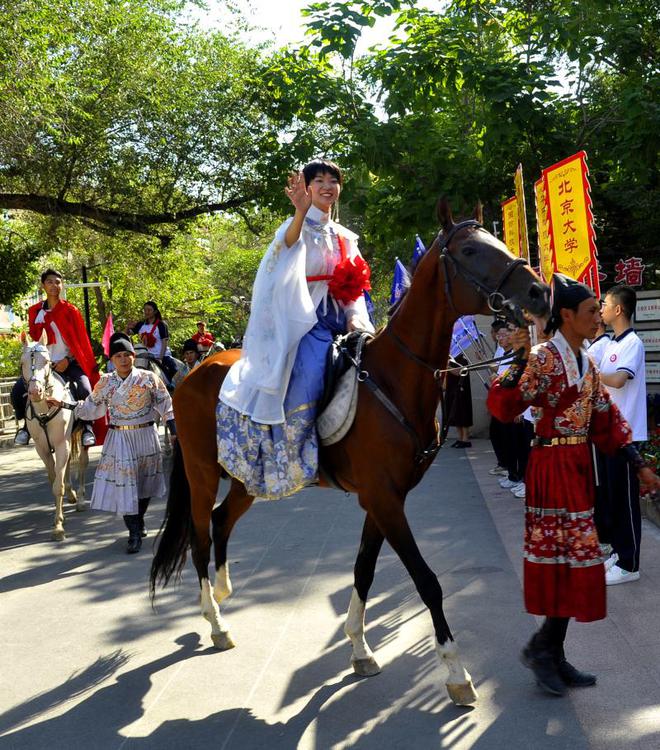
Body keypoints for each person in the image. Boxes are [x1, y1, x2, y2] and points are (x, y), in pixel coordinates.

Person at [487, 273, 659, 697]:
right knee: (566, 560)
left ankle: (552, 652)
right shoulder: (545, 358)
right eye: (588, 311)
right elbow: (506, 407)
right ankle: (542, 648)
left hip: (577, 465)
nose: (596, 317)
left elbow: (607, 418)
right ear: (566, 315)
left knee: (574, 561)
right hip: (550, 466)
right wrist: (519, 366)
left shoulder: (587, 360)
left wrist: (638, 463)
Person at [217, 159, 374, 499]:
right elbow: (286, 248)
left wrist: (356, 320)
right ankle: (297, 452)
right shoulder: (295, 226)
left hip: (343, 320)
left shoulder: (347, 237)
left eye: (333, 180)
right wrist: (300, 214)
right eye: (319, 180)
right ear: (306, 188)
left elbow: (356, 288)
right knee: (313, 369)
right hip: (306, 321)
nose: (327, 186)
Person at [49, 332, 175, 553]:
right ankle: (133, 533)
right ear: (112, 360)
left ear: (134, 356)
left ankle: (140, 520)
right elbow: (90, 407)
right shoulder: (106, 382)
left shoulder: (148, 378)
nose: (124, 359)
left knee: (145, 486)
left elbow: (166, 404)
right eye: (118, 356)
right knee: (127, 487)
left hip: (146, 434)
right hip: (120, 438)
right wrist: (63, 405)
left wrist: (173, 431)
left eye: (127, 354)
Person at [595, 285, 647, 585]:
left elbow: (617, 379)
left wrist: (592, 371)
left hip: (626, 435)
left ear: (618, 310)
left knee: (626, 500)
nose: (601, 308)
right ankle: (618, 551)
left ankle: (629, 564)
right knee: (612, 497)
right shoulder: (611, 343)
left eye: (605, 304)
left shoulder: (633, 344)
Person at [12, 269, 98, 447]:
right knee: (17, 390)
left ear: (62, 285)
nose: (54, 285)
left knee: (85, 388)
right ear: (43, 285)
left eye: (57, 282)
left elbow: (80, 341)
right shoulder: (35, 311)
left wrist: (67, 360)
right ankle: (25, 428)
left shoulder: (71, 310)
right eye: (50, 282)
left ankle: (88, 427)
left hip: (69, 361)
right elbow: (36, 342)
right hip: (43, 365)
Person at [128, 301, 178, 384]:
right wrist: (127, 327)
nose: (146, 312)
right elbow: (127, 334)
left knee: (174, 368)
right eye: (145, 310)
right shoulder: (140, 324)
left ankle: (170, 385)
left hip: (161, 355)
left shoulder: (161, 325)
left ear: (155, 312)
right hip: (145, 355)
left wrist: (161, 358)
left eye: (149, 310)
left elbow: (164, 342)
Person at [444, 354, 473, 448]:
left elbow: (460, 372)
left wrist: (448, 367)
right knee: (455, 415)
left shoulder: (463, 359)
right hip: (451, 390)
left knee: (463, 414)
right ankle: (460, 438)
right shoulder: (450, 359)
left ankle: (465, 439)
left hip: (461, 390)